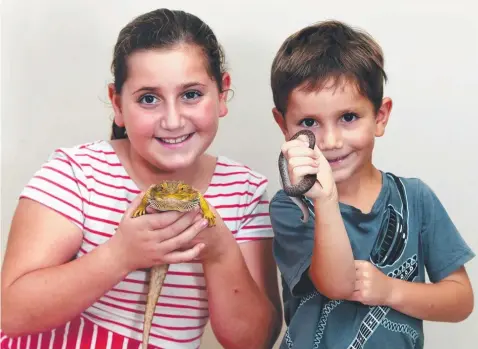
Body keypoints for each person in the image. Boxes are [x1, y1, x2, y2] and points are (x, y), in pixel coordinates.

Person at [0, 8, 283, 349]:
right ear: (117, 104)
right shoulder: (77, 173)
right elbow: (10, 313)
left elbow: (255, 342)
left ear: (222, 94)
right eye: (149, 99)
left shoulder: (244, 192)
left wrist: (221, 252)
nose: (173, 120)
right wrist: (120, 255)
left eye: (191, 94)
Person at [269, 19, 475, 349]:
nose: (331, 141)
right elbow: (336, 284)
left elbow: (461, 300)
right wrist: (325, 200)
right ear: (283, 125)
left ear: (380, 117)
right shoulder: (292, 205)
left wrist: (391, 290)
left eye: (348, 117)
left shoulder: (416, 198)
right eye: (309, 123)